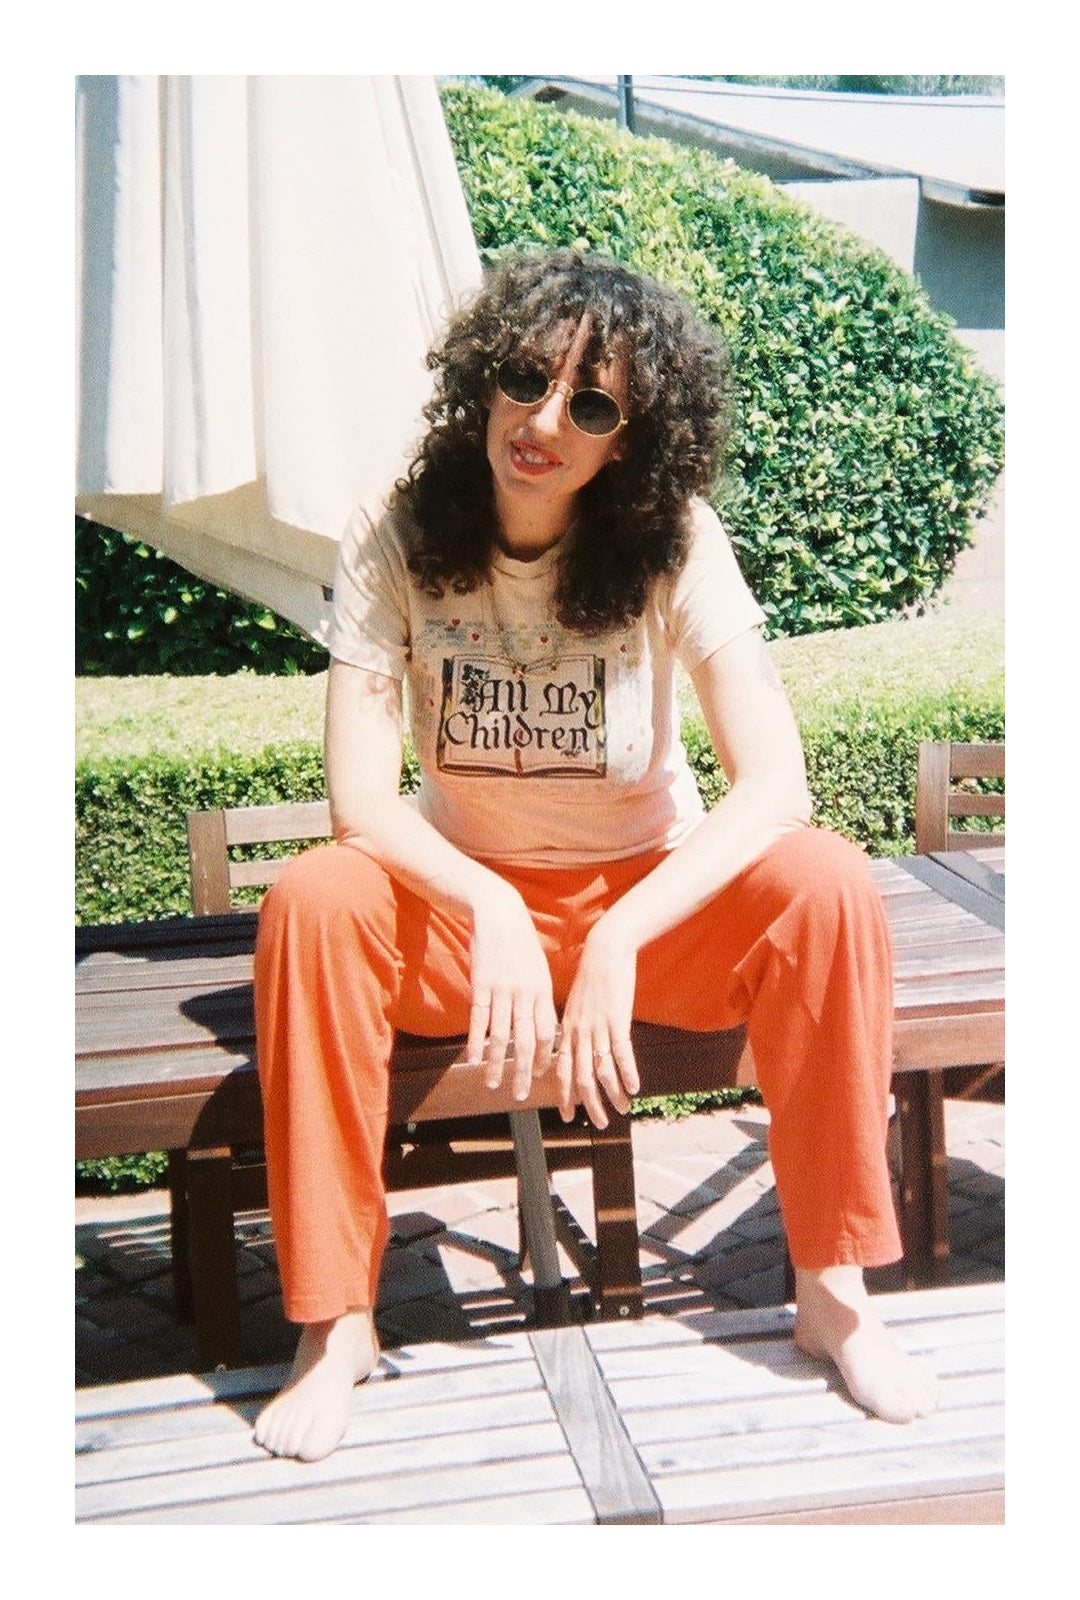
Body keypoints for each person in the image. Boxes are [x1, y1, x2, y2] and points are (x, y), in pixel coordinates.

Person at [252, 249, 938, 1463]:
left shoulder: (672, 536)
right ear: (484, 382)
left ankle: (834, 1293)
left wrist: (618, 930)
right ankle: (336, 1322)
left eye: (594, 402)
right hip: (469, 926)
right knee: (312, 899)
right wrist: (493, 905)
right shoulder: (398, 533)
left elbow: (774, 780)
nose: (546, 420)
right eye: (527, 378)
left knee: (827, 883)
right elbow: (358, 797)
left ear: (630, 438)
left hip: (645, 911)